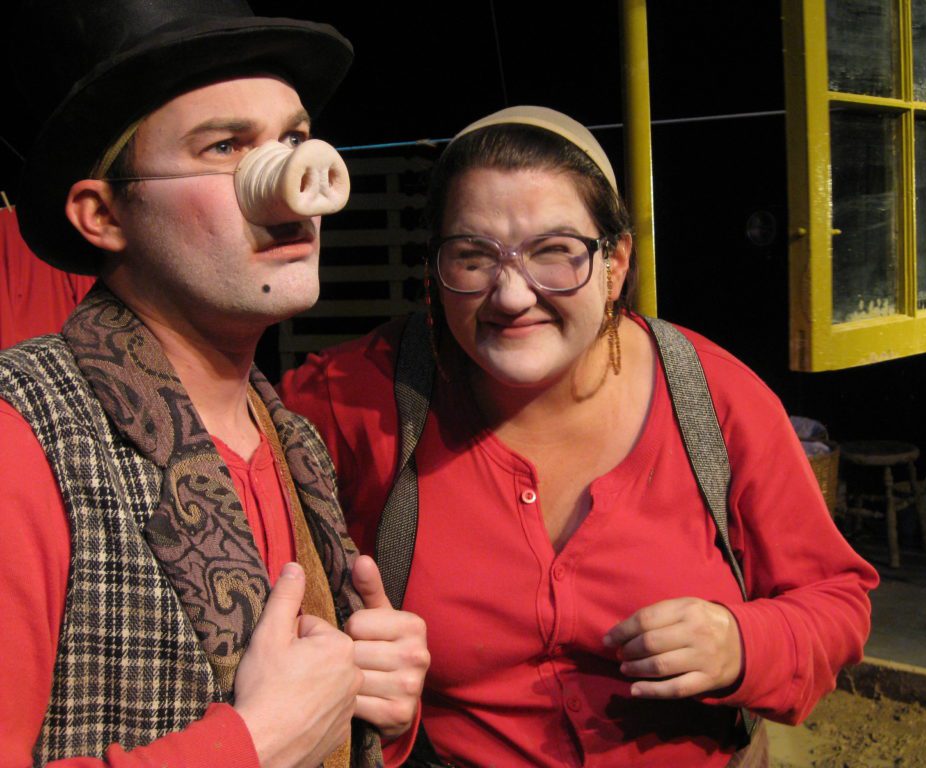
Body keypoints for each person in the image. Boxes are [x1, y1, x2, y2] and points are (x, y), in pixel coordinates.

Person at [280, 105, 880, 767]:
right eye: (474, 257)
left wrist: (745, 642)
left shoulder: (714, 402)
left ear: (616, 262)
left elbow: (837, 600)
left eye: (555, 253)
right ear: (435, 269)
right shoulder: (354, 400)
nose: (511, 296)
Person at [0, 1, 428, 766]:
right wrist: (256, 745)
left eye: (295, 139)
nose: (296, 185)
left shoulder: (291, 440)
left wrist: (374, 712)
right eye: (227, 146)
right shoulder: (22, 440)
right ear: (102, 214)